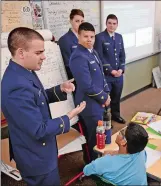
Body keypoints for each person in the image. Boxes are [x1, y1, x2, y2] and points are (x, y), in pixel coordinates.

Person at [1, 27, 86, 185]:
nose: (44, 57)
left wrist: (59, 89)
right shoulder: (16, 87)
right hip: (36, 158)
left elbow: (35, 98)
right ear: (21, 53)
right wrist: (68, 117)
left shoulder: (23, 71)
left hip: (39, 151)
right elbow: (39, 129)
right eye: (38, 53)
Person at [69, 22, 110, 161]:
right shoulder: (78, 56)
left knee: (104, 133)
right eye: (85, 36)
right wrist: (104, 97)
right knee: (95, 137)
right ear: (78, 37)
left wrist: (107, 93)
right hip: (89, 105)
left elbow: (101, 76)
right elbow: (86, 85)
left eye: (92, 36)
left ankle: (102, 160)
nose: (89, 40)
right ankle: (94, 165)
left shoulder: (93, 51)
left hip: (100, 101)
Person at [83, 122, 148, 185]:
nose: (118, 133)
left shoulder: (106, 161)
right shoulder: (141, 152)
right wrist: (114, 153)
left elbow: (86, 170)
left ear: (123, 142)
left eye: (121, 132)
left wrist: (103, 159)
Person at [94, 14, 126, 124]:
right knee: (106, 99)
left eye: (114, 23)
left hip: (119, 75)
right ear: (106, 24)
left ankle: (116, 115)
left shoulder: (119, 37)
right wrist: (111, 70)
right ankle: (106, 120)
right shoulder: (99, 37)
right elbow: (99, 57)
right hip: (107, 76)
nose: (112, 26)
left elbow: (122, 55)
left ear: (117, 25)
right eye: (109, 23)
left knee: (116, 97)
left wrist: (121, 69)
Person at [58, 9, 84, 80]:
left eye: (82, 21)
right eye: (77, 21)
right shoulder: (64, 40)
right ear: (70, 21)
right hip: (75, 79)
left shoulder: (84, 37)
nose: (80, 24)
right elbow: (68, 65)